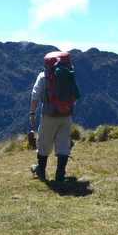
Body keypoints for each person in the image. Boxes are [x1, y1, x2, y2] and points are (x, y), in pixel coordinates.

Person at [29, 51, 80, 182]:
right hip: (66, 114)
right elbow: (74, 96)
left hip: (49, 115)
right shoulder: (69, 74)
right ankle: (60, 175)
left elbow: (35, 96)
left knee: (44, 144)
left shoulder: (43, 76)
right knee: (63, 144)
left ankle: (41, 171)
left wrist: (32, 113)